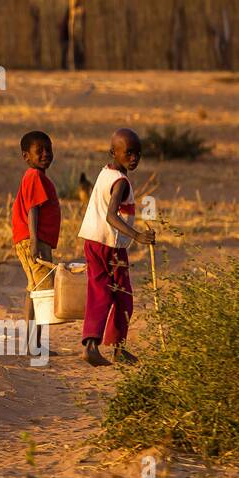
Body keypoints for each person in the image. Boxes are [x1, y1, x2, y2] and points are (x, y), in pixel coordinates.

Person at [76, 128, 155, 366]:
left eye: (138, 153)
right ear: (113, 152)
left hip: (92, 241)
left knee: (99, 293)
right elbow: (111, 216)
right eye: (129, 153)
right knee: (124, 296)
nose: (134, 158)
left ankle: (91, 345)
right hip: (111, 246)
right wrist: (137, 236)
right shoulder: (120, 182)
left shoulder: (106, 172)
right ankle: (118, 348)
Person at [10, 130, 61, 347]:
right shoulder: (34, 176)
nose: (45, 154)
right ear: (26, 156)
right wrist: (34, 242)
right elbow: (33, 210)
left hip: (36, 240)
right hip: (35, 241)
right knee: (42, 293)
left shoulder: (38, 177)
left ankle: (33, 343)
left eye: (48, 150)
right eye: (39, 151)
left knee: (35, 291)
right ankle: (35, 344)